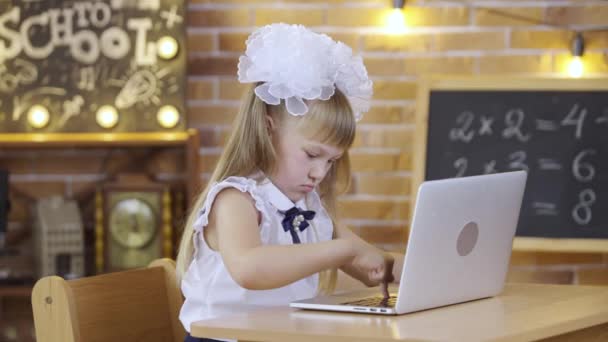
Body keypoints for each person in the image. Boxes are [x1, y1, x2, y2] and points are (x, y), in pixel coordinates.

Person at [176, 23, 404, 342]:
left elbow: (372, 263)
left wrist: (430, 269)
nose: (320, 173)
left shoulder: (309, 209)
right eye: (312, 154)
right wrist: (342, 250)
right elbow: (250, 269)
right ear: (270, 129)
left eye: (331, 161)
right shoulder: (236, 199)